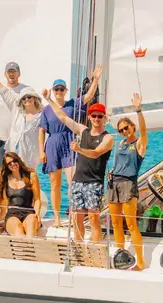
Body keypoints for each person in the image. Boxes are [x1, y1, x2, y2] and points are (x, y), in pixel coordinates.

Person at [43, 89, 112, 242]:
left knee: (93, 219)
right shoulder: (83, 131)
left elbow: (96, 153)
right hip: (78, 181)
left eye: (100, 116)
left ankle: (95, 247)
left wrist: (79, 149)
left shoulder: (107, 138)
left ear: (104, 118)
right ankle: (79, 248)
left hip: (93, 183)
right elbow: (62, 117)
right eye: (94, 116)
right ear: (89, 117)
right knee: (76, 219)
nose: (96, 119)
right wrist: (49, 99)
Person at [39, 66, 103, 226]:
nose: (59, 91)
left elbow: (88, 96)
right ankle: (57, 218)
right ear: (53, 91)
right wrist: (41, 151)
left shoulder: (73, 103)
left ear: (65, 90)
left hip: (69, 143)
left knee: (73, 182)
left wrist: (95, 79)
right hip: (53, 144)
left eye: (61, 89)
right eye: (56, 89)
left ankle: (75, 216)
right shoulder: (47, 109)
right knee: (55, 184)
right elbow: (41, 131)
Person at [108, 93, 147, 270]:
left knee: (130, 223)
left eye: (126, 128)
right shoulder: (121, 144)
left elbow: (144, 132)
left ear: (132, 127)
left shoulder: (139, 143)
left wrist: (138, 110)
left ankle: (140, 261)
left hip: (128, 184)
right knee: (115, 222)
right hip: (114, 183)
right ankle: (121, 256)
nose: (124, 131)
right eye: (121, 130)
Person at [0, 68, 43, 171]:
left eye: (29, 97)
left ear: (34, 97)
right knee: (9, 175)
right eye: (24, 98)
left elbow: (57, 116)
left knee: (29, 178)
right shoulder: (17, 109)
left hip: (30, 156)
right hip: (14, 151)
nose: (26, 99)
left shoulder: (41, 114)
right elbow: (5, 93)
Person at [0, 62, 28, 166]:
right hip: (2, 139)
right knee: (1, 171)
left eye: (14, 71)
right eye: (9, 71)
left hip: (20, 139)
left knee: (21, 170)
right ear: (5, 74)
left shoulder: (26, 91)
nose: (11, 74)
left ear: (19, 74)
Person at [0, 152, 42, 237]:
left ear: (19, 160)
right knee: (18, 229)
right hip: (12, 214)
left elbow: (37, 199)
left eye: (14, 161)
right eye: (9, 163)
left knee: (31, 226)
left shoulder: (31, 176)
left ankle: (29, 248)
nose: (13, 164)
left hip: (29, 212)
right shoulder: (5, 179)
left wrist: (37, 214)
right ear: (7, 166)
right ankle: (25, 248)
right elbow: (4, 203)